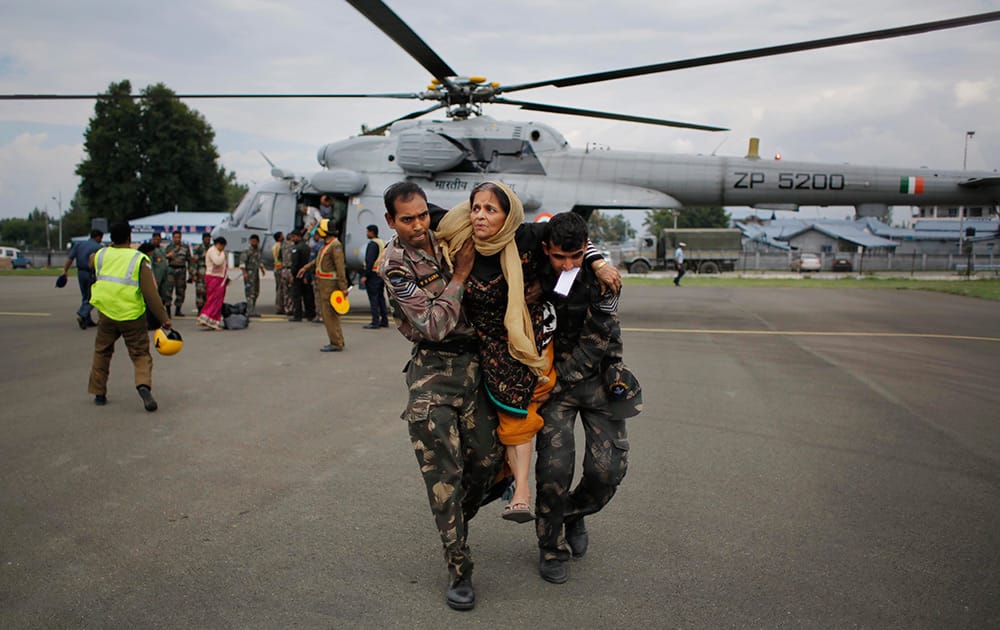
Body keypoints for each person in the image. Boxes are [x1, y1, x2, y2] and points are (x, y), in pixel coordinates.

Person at [378, 181, 505, 611]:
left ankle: (453, 519)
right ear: (391, 221)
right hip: (432, 371)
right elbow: (433, 326)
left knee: (489, 460)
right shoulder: (394, 264)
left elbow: (516, 230)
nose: (418, 226)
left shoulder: (449, 235)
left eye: (422, 216)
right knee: (444, 474)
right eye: (407, 219)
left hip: (475, 365)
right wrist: (461, 276)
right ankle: (459, 567)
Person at [435, 181, 557, 524]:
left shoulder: (527, 237)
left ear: (508, 214)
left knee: (515, 412)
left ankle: (521, 493)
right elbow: (415, 216)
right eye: (475, 207)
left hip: (524, 345)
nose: (480, 216)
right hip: (484, 348)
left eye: (491, 209)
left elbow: (574, 237)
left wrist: (594, 266)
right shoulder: (459, 238)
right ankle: (496, 486)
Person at [534, 211, 633, 584]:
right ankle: (550, 546)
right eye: (559, 257)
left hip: (596, 379)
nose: (567, 265)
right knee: (553, 471)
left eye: (576, 256)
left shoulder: (604, 280)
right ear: (547, 249)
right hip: (552, 382)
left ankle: (572, 514)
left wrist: (594, 260)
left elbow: (596, 341)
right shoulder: (534, 270)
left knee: (607, 471)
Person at [87, 221, 171, 412]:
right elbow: (151, 294)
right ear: (129, 237)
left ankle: (99, 393)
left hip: (106, 313)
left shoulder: (101, 255)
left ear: (110, 238)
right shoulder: (138, 259)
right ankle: (143, 385)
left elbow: (90, 260)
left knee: (102, 351)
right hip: (132, 315)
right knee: (140, 354)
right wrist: (164, 318)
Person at [296, 219, 348, 352]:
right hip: (324, 284)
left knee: (329, 315)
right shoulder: (326, 245)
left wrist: (343, 287)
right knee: (329, 315)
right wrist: (305, 268)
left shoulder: (335, 246)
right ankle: (337, 340)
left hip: (330, 286)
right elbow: (317, 260)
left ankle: (336, 343)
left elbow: (340, 267)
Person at [61, 229, 104, 329]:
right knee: (92, 297)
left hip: (80, 273)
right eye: (100, 238)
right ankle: (83, 314)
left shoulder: (79, 245)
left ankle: (87, 320)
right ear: (97, 237)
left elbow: (70, 259)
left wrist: (65, 271)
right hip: (91, 273)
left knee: (85, 295)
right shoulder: (98, 247)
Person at [197, 237, 229, 331]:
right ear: (219, 244)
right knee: (213, 299)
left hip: (219, 277)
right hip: (214, 277)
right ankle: (207, 317)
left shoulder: (216, 251)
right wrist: (223, 254)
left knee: (217, 300)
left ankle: (213, 320)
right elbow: (218, 262)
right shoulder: (213, 251)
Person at [360, 224, 389, 329]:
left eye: (368, 232)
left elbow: (370, 261)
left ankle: (375, 321)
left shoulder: (372, 244)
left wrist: (365, 275)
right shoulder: (382, 242)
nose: (367, 234)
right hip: (380, 273)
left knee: (373, 298)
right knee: (380, 297)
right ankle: (384, 320)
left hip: (372, 274)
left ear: (372, 232)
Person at [287, 230, 316, 322]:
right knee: (308, 295)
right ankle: (310, 314)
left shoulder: (296, 248)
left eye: (293, 237)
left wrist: (292, 274)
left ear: (297, 237)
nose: (292, 239)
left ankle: (297, 315)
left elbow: (295, 263)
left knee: (297, 296)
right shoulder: (308, 247)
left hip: (298, 275)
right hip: (306, 274)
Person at [163, 230, 192, 317]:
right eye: (175, 237)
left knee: (181, 290)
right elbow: (164, 258)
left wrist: (191, 273)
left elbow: (189, 260)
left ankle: (178, 309)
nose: (177, 239)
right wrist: (168, 255)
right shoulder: (169, 247)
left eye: (178, 237)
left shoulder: (185, 247)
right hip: (171, 269)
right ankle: (168, 310)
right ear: (172, 238)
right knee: (168, 290)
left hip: (181, 270)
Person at [240, 233, 266, 317]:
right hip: (249, 273)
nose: (253, 242)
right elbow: (242, 263)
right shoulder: (246, 251)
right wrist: (245, 273)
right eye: (252, 241)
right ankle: (249, 310)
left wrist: (262, 268)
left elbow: (259, 260)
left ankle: (252, 309)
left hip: (255, 273)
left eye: (255, 241)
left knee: (256, 292)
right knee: (250, 292)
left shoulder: (258, 250)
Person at [189, 232, 212, 313]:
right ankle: (200, 309)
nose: (207, 241)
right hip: (200, 272)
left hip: (210, 273)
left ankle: (207, 310)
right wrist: (193, 274)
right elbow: (193, 262)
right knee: (200, 292)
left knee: (209, 293)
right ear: (203, 239)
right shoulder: (198, 248)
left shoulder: (212, 248)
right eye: (206, 239)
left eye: (209, 239)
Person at [271, 231, 288, 314]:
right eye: (282, 235)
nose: (283, 236)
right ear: (279, 238)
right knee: (281, 289)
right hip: (280, 268)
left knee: (278, 288)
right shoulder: (280, 246)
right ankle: (280, 307)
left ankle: (279, 306)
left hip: (276, 268)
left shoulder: (274, 246)